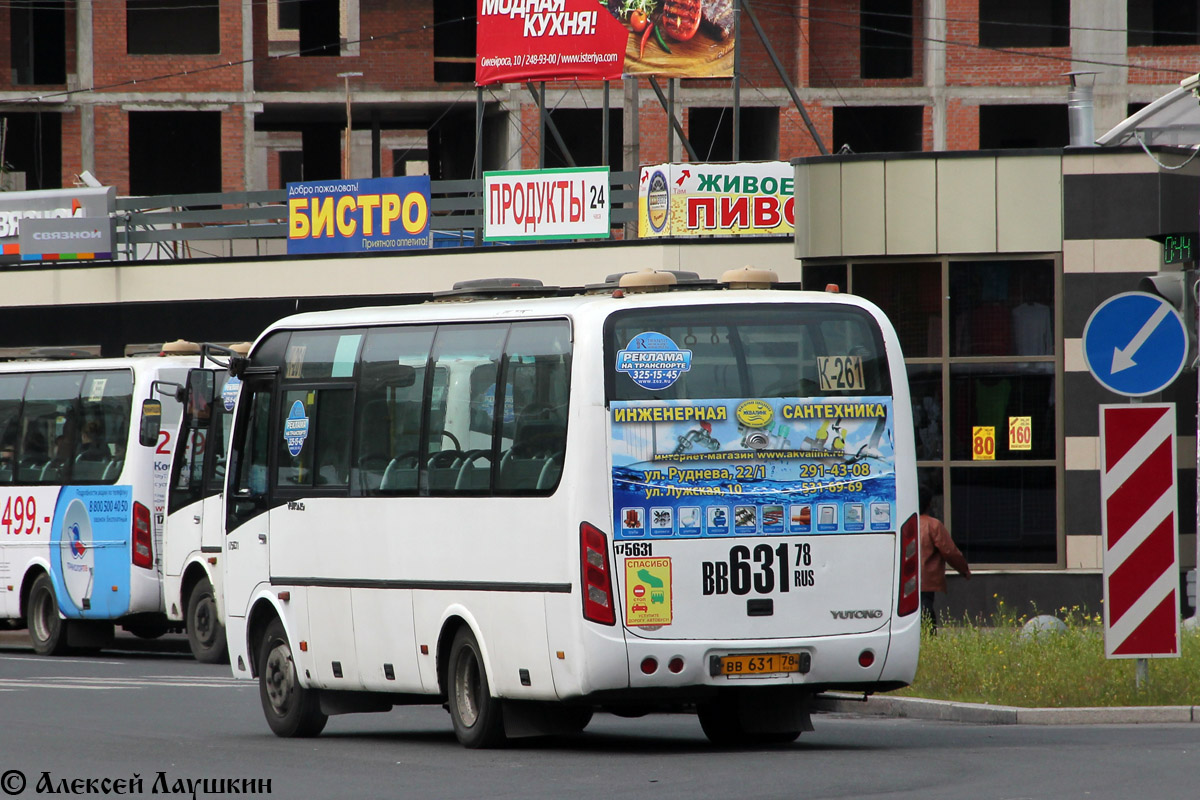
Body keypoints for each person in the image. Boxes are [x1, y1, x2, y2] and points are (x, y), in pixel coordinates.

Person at [919, 484, 970, 632]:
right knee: (926, 610)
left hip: (902, 580)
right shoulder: (933, 525)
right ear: (929, 504)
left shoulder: (901, 524)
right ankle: (929, 638)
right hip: (926, 580)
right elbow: (949, 551)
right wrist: (963, 570)